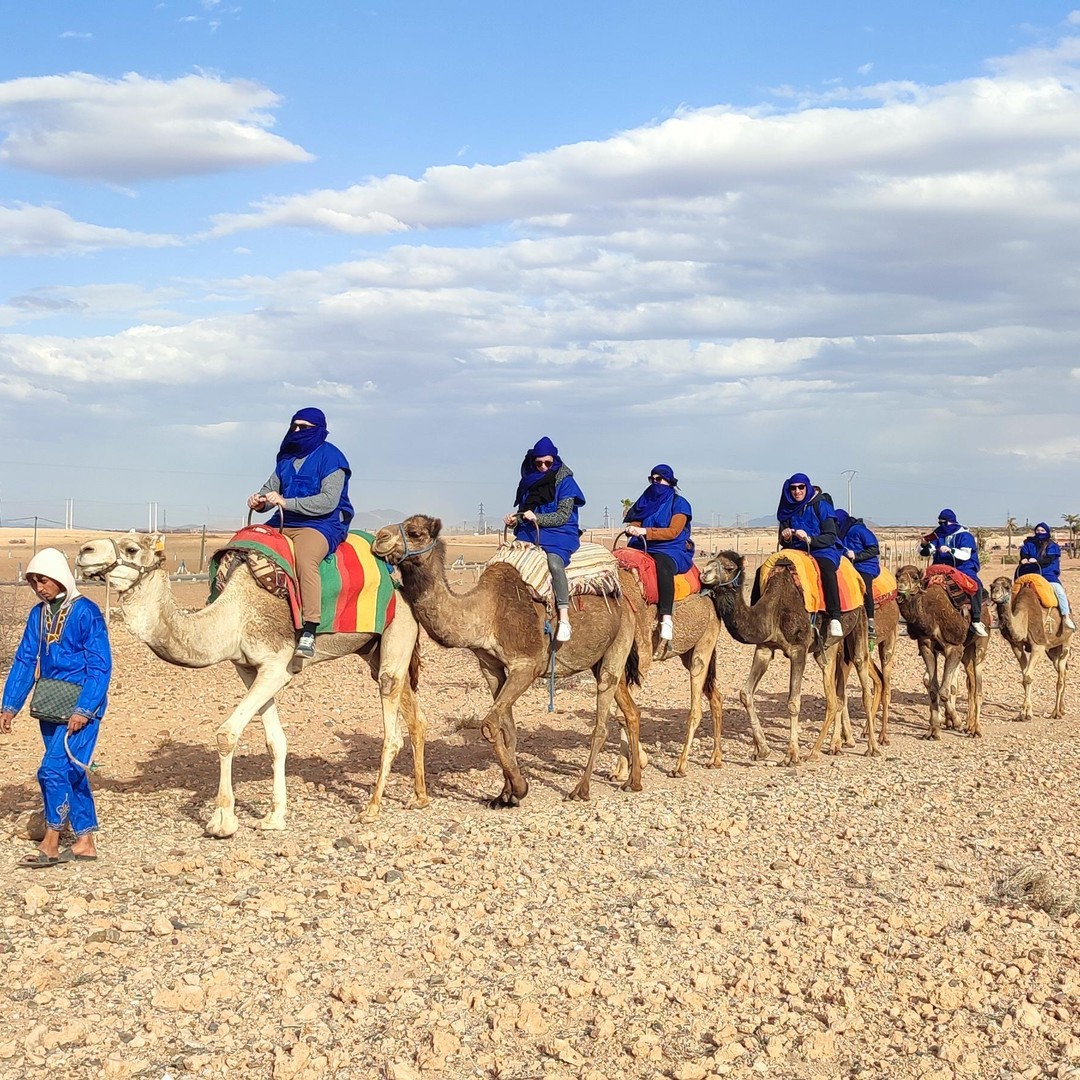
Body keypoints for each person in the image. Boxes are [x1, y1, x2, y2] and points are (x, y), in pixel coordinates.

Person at [1, 549, 112, 867]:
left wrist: (85, 708)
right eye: (33, 581)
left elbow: (100, 666)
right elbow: (25, 659)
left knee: (51, 770)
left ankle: (51, 842)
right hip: (50, 703)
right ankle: (85, 841)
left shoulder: (86, 613)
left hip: (81, 709)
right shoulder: (38, 615)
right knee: (71, 772)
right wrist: (9, 705)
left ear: (60, 578)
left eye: (43, 580)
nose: (39, 586)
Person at [248, 407, 354, 658]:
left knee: (306, 560)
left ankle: (309, 628)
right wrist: (259, 502)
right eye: (294, 426)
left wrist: (286, 502)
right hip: (283, 521)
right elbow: (269, 490)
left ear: (318, 430)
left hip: (321, 523)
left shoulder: (332, 458)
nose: (297, 431)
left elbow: (329, 501)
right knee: (245, 546)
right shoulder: (286, 458)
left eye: (304, 428)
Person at [503, 437, 585, 642]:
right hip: (532, 531)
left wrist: (537, 518)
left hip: (561, 532)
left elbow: (563, 515)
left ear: (554, 460)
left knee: (554, 563)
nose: (543, 467)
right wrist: (514, 520)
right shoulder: (529, 482)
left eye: (547, 463)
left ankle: (564, 617)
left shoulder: (566, 482)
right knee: (506, 561)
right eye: (539, 463)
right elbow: (524, 512)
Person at [624, 464, 694, 642]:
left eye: (659, 479)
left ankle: (666, 617)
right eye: (652, 479)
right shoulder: (646, 499)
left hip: (671, 547)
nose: (655, 482)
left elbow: (673, 531)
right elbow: (637, 520)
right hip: (643, 545)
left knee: (663, 566)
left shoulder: (679, 503)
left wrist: (646, 532)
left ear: (669, 481)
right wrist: (633, 528)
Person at [773, 473, 844, 640]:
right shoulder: (787, 509)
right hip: (796, 550)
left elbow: (830, 536)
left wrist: (809, 538)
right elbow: (783, 540)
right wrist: (787, 536)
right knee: (768, 567)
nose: (797, 491)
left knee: (826, 569)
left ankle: (835, 616)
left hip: (822, 548)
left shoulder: (821, 506)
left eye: (801, 487)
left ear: (807, 487)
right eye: (793, 488)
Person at [918, 508, 988, 636]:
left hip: (963, 567)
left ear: (951, 522)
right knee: (919, 586)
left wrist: (951, 550)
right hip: (940, 566)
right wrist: (924, 545)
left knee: (975, 586)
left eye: (944, 523)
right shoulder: (938, 534)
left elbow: (965, 555)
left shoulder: (964, 535)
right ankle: (917, 620)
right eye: (940, 523)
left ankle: (976, 620)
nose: (942, 526)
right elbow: (928, 551)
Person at [1016, 522, 1075, 630]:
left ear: (1047, 532)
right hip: (1030, 574)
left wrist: (1036, 560)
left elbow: (1048, 560)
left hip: (1047, 575)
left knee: (1059, 591)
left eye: (1042, 531)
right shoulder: (1029, 544)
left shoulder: (1052, 546)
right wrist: (1023, 559)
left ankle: (1066, 617)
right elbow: (1024, 555)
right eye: (1038, 530)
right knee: (1013, 592)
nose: (1039, 533)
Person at [834, 509, 880, 643]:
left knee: (865, 588)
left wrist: (857, 556)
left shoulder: (859, 530)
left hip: (865, 565)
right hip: (849, 565)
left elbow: (874, 548)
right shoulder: (839, 534)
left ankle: (870, 621)